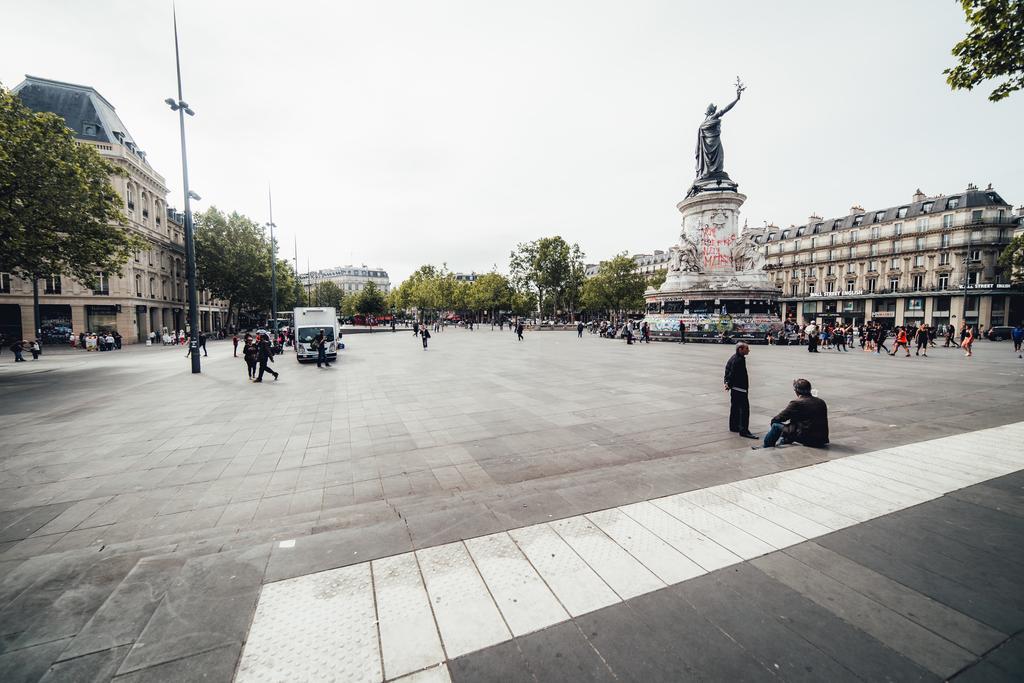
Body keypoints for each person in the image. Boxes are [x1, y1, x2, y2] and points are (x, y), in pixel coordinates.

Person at [756, 378, 829, 449]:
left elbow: (780, 417)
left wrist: (774, 424)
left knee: (775, 425)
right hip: (821, 439)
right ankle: (786, 439)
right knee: (794, 423)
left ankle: (767, 446)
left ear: (796, 391)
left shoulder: (796, 403)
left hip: (808, 439)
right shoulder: (821, 402)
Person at [723, 342, 757, 439]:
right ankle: (744, 430)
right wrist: (728, 383)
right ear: (740, 349)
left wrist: (727, 382)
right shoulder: (739, 360)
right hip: (740, 388)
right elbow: (732, 372)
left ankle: (734, 426)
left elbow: (727, 369)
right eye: (746, 349)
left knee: (735, 408)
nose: (748, 350)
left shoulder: (734, 357)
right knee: (744, 410)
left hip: (735, 388)